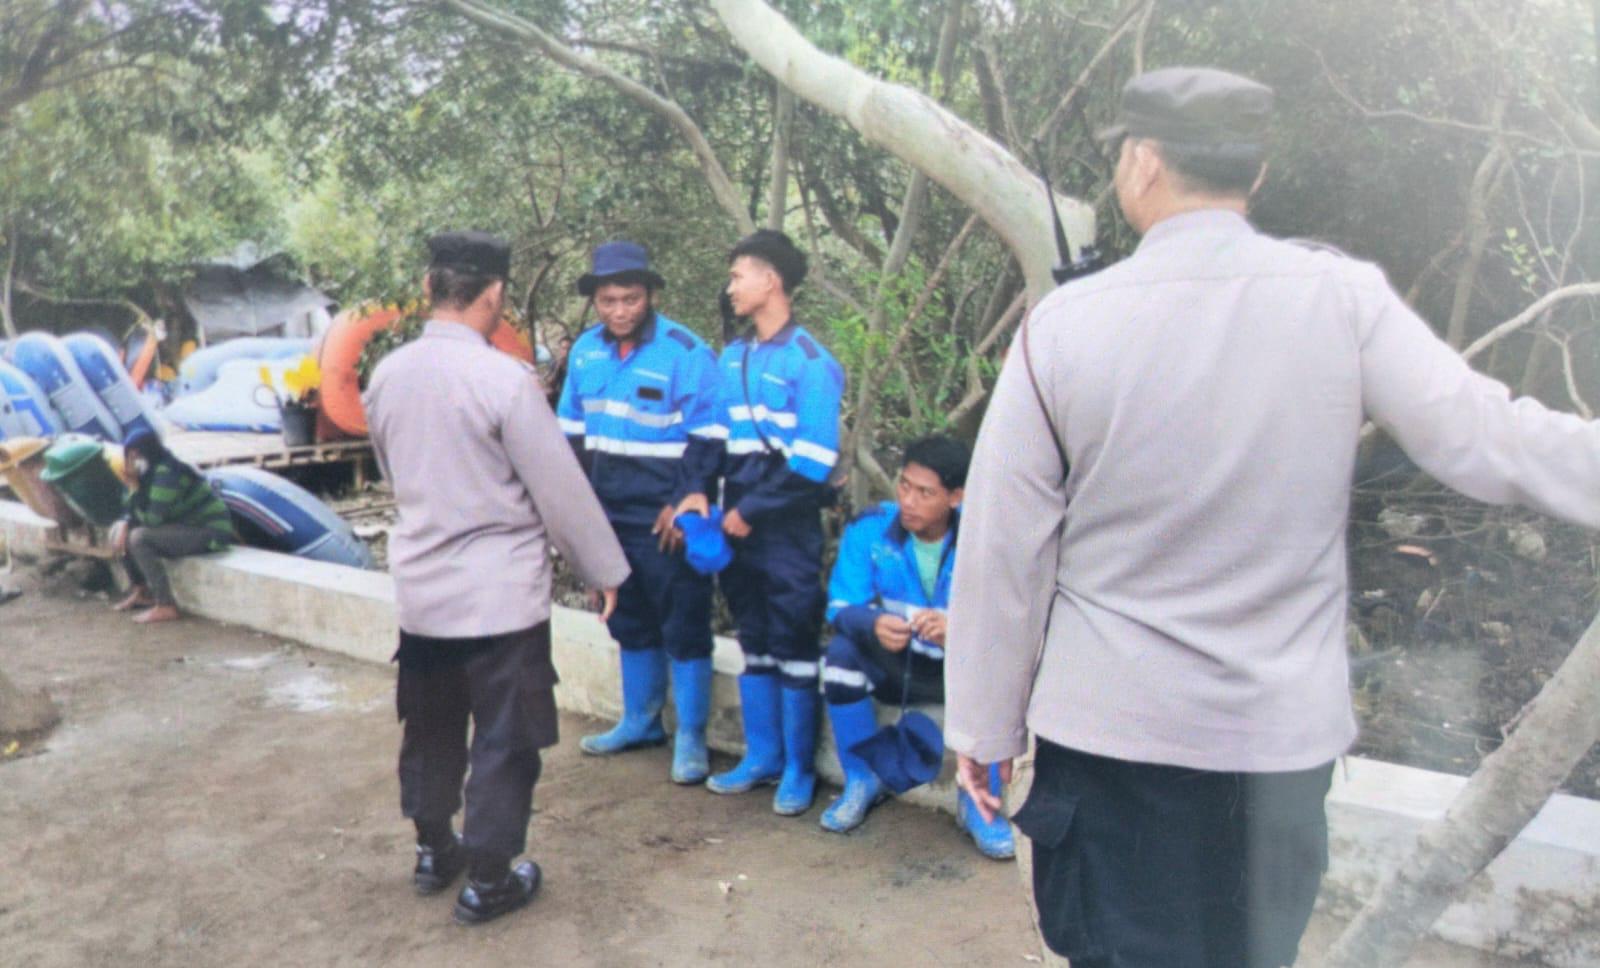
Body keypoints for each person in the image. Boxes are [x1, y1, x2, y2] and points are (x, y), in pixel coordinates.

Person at [945, 66, 1600, 968]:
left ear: (1142, 163)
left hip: (1112, 751)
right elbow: (1490, 439)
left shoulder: (1062, 327)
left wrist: (983, 728)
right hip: (1277, 755)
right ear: (1254, 174)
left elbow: (1002, 554)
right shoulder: (1340, 299)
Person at [363, 231, 630, 926]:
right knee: (505, 739)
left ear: (429, 288)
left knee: (430, 727)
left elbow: (393, 472)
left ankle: (432, 850)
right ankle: (488, 879)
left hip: (423, 596)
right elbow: (558, 490)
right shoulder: (504, 381)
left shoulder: (386, 375)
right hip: (500, 599)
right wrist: (603, 570)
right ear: (495, 295)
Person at [676, 229, 844, 816]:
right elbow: (712, 437)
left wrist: (751, 511)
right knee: (754, 638)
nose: (731, 288)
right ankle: (763, 756)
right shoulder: (734, 357)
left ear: (770, 280)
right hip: (734, 525)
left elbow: (813, 463)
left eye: (737, 276)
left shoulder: (813, 363)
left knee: (794, 640)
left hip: (785, 527)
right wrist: (695, 491)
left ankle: (799, 769)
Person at [556, 241, 723, 784]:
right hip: (608, 514)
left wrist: (685, 502)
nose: (620, 310)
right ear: (595, 301)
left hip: (664, 516)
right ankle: (640, 721)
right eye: (608, 300)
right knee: (626, 615)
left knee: (684, 620)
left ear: (650, 294)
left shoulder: (686, 351)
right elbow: (570, 436)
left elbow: (708, 437)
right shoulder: (585, 352)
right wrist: (579, 514)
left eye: (630, 298)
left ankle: (691, 736)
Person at [818, 434, 1013, 858]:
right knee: (841, 655)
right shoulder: (870, 528)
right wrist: (872, 623)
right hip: (898, 664)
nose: (908, 501)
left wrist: (959, 631)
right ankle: (862, 779)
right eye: (905, 485)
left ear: (956, 497)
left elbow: (1012, 621)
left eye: (925, 493)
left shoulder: (986, 541)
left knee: (998, 668)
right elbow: (840, 606)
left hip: (959, 673)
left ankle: (979, 803)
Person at [110, 428, 234, 624]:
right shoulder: (149, 473)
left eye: (134, 456)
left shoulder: (167, 473)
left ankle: (166, 605)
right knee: (119, 530)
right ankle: (141, 591)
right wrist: (126, 520)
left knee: (139, 538)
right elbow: (131, 510)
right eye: (129, 457)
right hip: (185, 527)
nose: (131, 462)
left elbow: (152, 519)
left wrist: (134, 486)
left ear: (146, 452)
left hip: (209, 531)